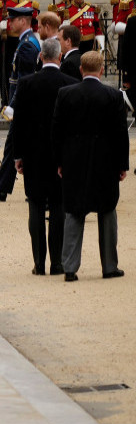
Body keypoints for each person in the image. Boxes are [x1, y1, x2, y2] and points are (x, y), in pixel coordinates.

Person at [52, 51, 128, 281]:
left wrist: (59, 161)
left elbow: (57, 132)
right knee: (107, 211)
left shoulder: (65, 94)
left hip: (74, 159)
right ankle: (109, 266)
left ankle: (70, 267)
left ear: (81, 70)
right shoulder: (113, 95)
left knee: (74, 211)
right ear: (102, 70)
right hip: (105, 160)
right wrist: (122, 164)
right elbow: (120, 134)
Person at [13, 37, 78, 276]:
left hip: (34, 154)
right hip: (61, 154)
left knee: (36, 206)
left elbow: (18, 123)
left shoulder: (27, 83)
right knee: (59, 208)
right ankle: (57, 263)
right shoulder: (70, 82)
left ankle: (39, 263)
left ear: (40, 57)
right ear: (60, 56)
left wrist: (18, 155)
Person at [0, 5, 40, 202]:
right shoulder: (26, 42)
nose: (9, 23)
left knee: (19, 145)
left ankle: (10, 187)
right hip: (22, 103)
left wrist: (13, 105)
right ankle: (2, 187)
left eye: (12, 20)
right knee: (12, 145)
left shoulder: (27, 45)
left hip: (23, 104)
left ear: (23, 21)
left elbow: (25, 80)